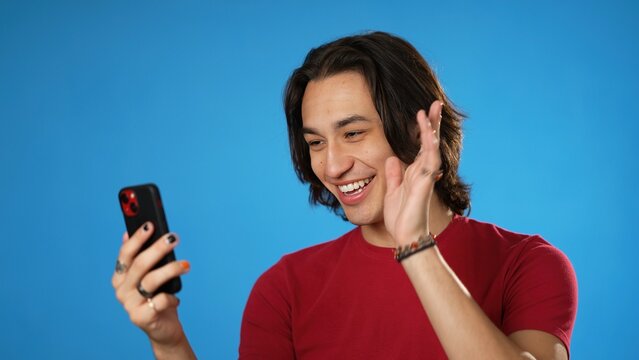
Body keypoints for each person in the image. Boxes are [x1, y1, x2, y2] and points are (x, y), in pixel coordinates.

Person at [112, 31, 577, 360]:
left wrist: (414, 247)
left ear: (422, 130)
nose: (331, 166)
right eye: (315, 143)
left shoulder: (528, 263)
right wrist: (169, 342)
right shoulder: (286, 289)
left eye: (353, 133)